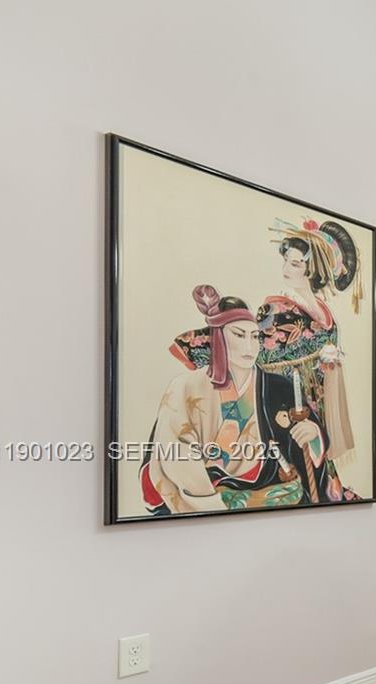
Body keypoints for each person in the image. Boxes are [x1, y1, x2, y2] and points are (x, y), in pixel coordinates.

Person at [142, 284, 339, 514]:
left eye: (255, 336)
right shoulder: (185, 388)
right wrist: (209, 504)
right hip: (206, 494)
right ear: (218, 338)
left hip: (274, 491)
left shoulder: (279, 386)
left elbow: (306, 448)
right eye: (239, 335)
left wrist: (313, 435)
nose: (249, 346)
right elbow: (174, 452)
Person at [254, 218, 364, 501]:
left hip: (319, 394)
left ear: (312, 270)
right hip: (289, 401)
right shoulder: (276, 309)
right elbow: (264, 366)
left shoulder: (321, 308)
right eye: (286, 261)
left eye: (295, 264)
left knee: (323, 468)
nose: (286, 269)